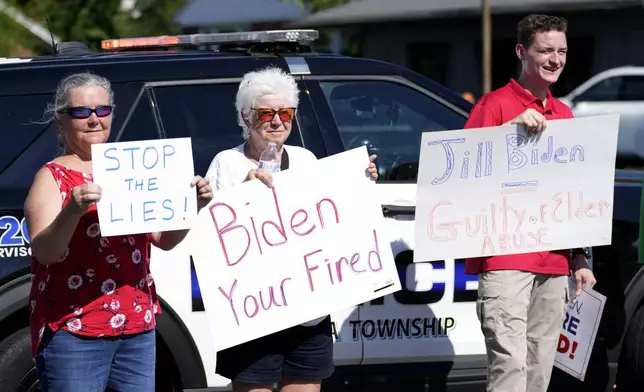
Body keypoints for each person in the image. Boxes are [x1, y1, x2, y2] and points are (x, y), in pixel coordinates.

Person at [24, 72, 213, 392]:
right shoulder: (51, 177)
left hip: (137, 326)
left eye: (103, 110)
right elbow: (46, 252)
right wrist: (72, 210)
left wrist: (190, 206)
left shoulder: (132, 168)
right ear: (61, 120)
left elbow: (164, 240)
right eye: (82, 112)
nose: (94, 119)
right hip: (76, 330)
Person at [205, 65, 378, 392]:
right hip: (255, 313)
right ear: (245, 117)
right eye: (266, 113)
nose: (277, 121)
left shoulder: (306, 160)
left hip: (307, 312)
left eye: (285, 113)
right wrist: (243, 190)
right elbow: (212, 233)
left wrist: (360, 184)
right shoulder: (226, 164)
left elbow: (333, 222)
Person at [463, 14, 598, 392]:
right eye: (546, 50)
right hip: (506, 261)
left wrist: (580, 258)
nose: (555, 59)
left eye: (562, 51)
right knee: (509, 370)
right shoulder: (493, 106)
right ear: (522, 52)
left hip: (554, 262)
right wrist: (508, 133)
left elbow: (573, 193)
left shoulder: (566, 115)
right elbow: (462, 174)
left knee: (538, 375)